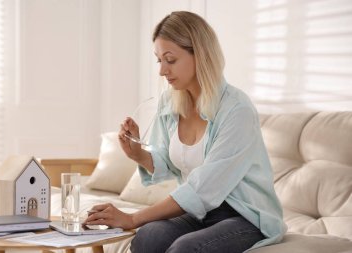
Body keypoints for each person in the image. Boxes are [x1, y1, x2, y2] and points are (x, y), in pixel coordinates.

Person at [84, 11, 286, 253]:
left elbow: (203, 189)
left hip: (244, 215)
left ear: (200, 55)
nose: (162, 70)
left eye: (170, 60)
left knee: (185, 248)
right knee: (148, 237)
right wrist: (138, 154)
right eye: (159, 60)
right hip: (200, 213)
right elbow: (166, 161)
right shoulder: (170, 101)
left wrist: (133, 218)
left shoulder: (237, 110)